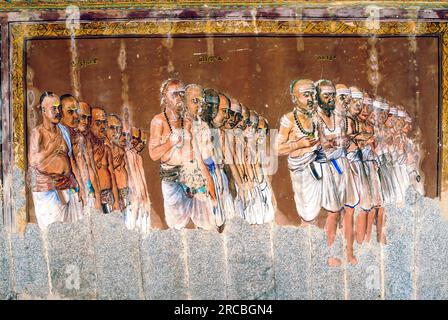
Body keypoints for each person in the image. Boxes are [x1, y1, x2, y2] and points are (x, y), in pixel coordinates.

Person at [148, 79, 216, 230]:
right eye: (174, 94)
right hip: (171, 178)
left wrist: (207, 178)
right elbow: (153, 154)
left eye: (181, 94)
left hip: (193, 176)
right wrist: (170, 143)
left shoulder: (189, 120)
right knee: (177, 226)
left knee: (204, 223)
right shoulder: (158, 121)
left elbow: (198, 153)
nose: (179, 98)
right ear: (165, 97)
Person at [28, 92, 85, 229]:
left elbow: (71, 160)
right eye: (53, 108)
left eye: (59, 108)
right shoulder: (38, 133)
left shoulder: (63, 130)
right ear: (43, 110)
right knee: (54, 233)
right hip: (48, 192)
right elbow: (33, 161)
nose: (58, 112)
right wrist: (51, 148)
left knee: (74, 232)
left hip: (69, 188)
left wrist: (81, 186)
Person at [89, 107, 120, 213]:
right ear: (90, 124)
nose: (102, 127)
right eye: (98, 123)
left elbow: (112, 177)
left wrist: (116, 201)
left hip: (108, 197)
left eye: (104, 123)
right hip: (93, 198)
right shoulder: (85, 149)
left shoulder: (106, 150)